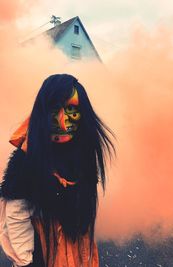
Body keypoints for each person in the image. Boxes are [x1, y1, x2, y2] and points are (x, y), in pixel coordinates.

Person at [0, 74, 115, 267]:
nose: (63, 120)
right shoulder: (27, 159)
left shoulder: (83, 150)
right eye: (55, 109)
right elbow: (16, 214)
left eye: (71, 109)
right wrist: (26, 263)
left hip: (77, 249)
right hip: (44, 252)